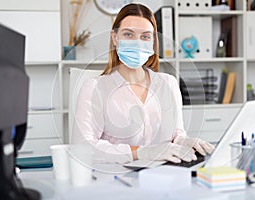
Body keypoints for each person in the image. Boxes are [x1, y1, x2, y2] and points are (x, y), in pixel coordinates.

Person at [72, 3, 214, 164]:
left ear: (153, 42)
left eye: (145, 36)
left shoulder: (169, 83)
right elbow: (82, 147)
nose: (137, 43)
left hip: (163, 176)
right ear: (115, 38)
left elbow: (176, 134)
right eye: (128, 34)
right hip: (115, 179)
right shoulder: (94, 88)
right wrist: (142, 152)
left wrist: (184, 141)